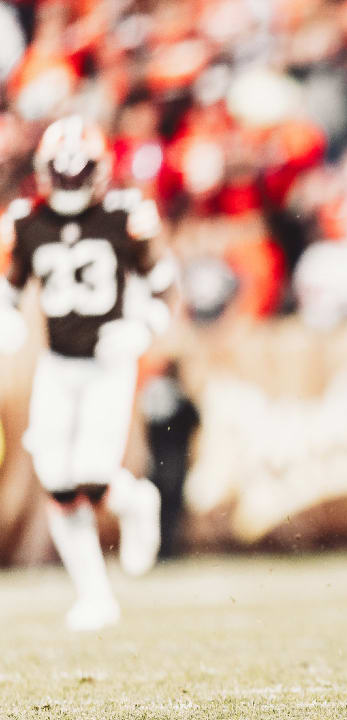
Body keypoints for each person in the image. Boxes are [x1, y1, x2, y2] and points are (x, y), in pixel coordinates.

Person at [0, 116, 171, 631]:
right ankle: (95, 596)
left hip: (108, 363)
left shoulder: (126, 214)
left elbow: (164, 288)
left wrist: (141, 329)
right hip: (58, 364)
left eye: (79, 172)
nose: (70, 182)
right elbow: (9, 290)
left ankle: (137, 499)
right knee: (57, 481)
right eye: (62, 172)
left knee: (92, 478)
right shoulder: (26, 219)